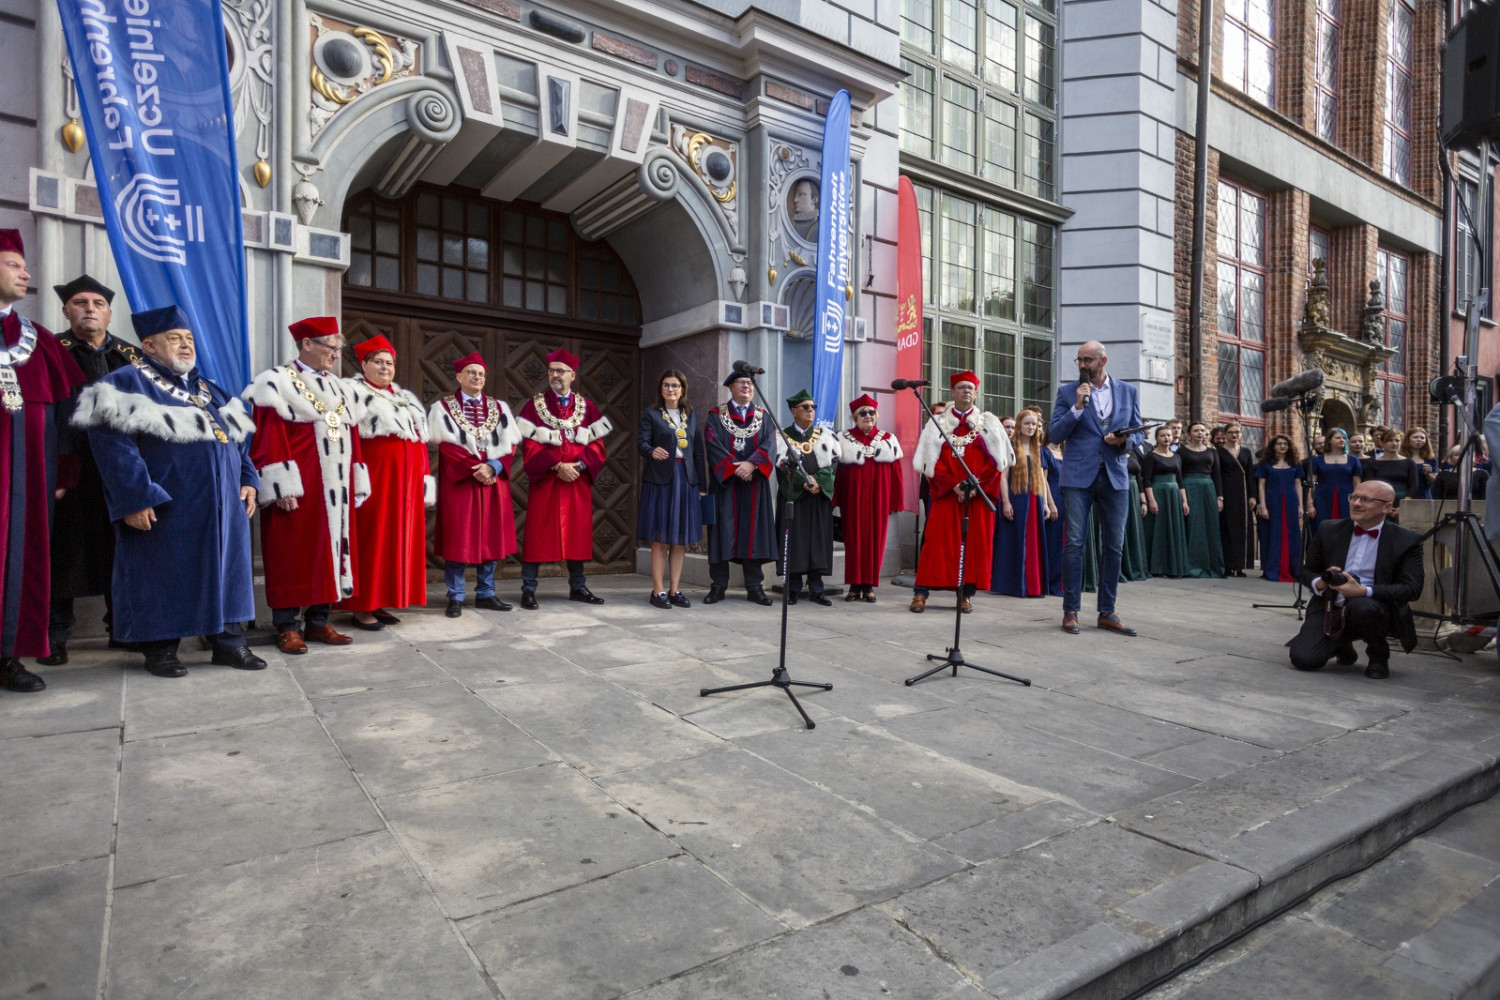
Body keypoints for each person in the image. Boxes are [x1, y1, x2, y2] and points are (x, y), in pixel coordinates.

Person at [72, 306, 263, 676]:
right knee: (162, 575)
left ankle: (229, 643)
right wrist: (135, 496)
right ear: (150, 346)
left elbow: (239, 443)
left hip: (225, 506)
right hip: (167, 505)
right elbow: (113, 447)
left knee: (229, 572)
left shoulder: (211, 389)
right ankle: (160, 649)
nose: (186, 345)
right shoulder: (123, 384)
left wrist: (248, 479)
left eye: (189, 339)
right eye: (175, 338)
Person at [244, 316, 369, 655]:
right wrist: (281, 484)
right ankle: (287, 627)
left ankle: (318, 622)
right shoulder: (276, 382)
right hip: (301, 485)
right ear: (307, 344)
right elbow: (268, 434)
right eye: (331, 346)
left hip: (336, 486)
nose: (335, 353)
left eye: (338, 348)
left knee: (330, 552)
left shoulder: (339, 386)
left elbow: (350, 433)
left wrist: (356, 476)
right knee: (291, 553)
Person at [0, 230, 86, 692]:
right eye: (13, 264)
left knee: (24, 560)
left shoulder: (40, 340)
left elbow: (67, 413)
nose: (25, 273)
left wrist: (64, 472)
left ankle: (9, 655)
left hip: (30, 479)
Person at [43, 274, 140, 665]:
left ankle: (121, 629)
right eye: (80, 303)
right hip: (71, 471)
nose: (89, 309)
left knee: (123, 551)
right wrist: (57, 472)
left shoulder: (132, 357)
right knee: (64, 552)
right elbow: (47, 415)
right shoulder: (49, 351)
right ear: (66, 311)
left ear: (109, 312)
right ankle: (55, 636)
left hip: (121, 473)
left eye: (97, 304)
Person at [338, 335, 434, 629]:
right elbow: (345, 439)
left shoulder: (404, 397)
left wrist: (423, 480)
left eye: (389, 363)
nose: (384, 367)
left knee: (397, 541)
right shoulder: (351, 392)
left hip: (405, 486)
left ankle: (382, 601)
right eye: (378, 362)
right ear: (364, 364)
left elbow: (419, 442)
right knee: (371, 540)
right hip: (374, 482)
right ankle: (362, 605)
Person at [1049, 340, 1144, 636]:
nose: (1082, 366)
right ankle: (1071, 611)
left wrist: (1123, 441)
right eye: (1079, 360)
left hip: (1115, 475)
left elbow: (1139, 435)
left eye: (1087, 360)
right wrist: (1077, 407)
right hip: (1077, 476)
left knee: (1114, 545)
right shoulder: (1067, 393)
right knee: (1075, 543)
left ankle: (1107, 611)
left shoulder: (1128, 392)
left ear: (1103, 360)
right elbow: (1053, 433)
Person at [1289, 481, 1422, 679]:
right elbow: (1305, 570)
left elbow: (1411, 589)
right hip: (1330, 604)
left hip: (1375, 608)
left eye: (1366, 499)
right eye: (1354, 497)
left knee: (1362, 607)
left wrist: (1363, 591)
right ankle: (1342, 643)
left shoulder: (1407, 539)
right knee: (1304, 660)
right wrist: (1321, 583)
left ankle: (1378, 654)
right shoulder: (1329, 529)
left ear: (1387, 507)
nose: (1356, 503)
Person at [515, 348, 612, 609]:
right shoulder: (534, 406)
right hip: (547, 480)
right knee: (537, 534)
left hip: (576, 482)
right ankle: (528, 589)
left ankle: (578, 587)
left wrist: (579, 466)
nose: (555, 375)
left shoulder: (587, 407)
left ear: (572, 375)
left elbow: (597, 445)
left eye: (560, 371)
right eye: (551, 371)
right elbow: (530, 444)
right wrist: (556, 465)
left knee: (577, 535)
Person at [911, 370, 1012, 613]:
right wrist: (953, 485)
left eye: (970, 388)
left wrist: (976, 486)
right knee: (936, 544)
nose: (966, 391)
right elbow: (929, 461)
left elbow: (998, 462)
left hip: (978, 495)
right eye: (961, 387)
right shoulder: (937, 422)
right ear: (952, 392)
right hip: (947, 494)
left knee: (975, 546)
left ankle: (966, 594)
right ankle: (921, 593)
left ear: (976, 393)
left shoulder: (988, 422)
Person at [429, 352, 522, 618]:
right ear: (459, 376)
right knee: (459, 539)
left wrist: (493, 466)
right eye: (471, 372)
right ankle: (456, 596)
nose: (477, 377)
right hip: (461, 482)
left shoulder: (499, 407)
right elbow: (446, 445)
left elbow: (510, 443)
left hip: (492, 481)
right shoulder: (443, 408)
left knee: (490, 539)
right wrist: (476, 468)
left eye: (480, 373)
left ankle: (486, 593)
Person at [703, 372, 777, 605]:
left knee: (753, 533)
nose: (747, 386)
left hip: (754, 484)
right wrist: (735, 468)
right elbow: (712, 443)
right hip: (726, 484)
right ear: (731, 387)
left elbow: (770, 444)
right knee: (722, 532)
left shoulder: (764, 417)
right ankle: (718, 586)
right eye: (741, 383)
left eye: (750, 383)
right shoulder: (716, 415)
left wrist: (752, 464)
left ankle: (754, 587)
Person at [636, 369, 706, 608]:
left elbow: (698, 451)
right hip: (661, 479)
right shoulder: (652, 414)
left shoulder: (692, 415)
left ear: (683, 389)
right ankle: (658, 591)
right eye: (666, 385)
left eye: (675, 385)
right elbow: (641, 442)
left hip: (686, 479)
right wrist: (650, 450)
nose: (671, 389)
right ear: (661, 388)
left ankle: (675, 590)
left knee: (680, 539)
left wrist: (702, 486)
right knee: (660, 538)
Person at [834, 393, 903, 602]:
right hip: (852, 499)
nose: (868, 416)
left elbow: (897, 474)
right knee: (853, 541)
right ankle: (854, 586)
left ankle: (869, 585)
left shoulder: (889, 439)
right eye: (862, 413)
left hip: (879, 499)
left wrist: (895, 501)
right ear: (855, 416)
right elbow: (836, 473)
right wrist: (834, 500)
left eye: (871, 412)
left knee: (875, 541)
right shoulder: (843, 438)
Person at [777, 389, 839, 605]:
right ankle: (793, 588)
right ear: (794, 411)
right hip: (794, 496)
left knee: (817, 541)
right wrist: (803, 481)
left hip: (818, 497)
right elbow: (780, 466)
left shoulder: (826, 435)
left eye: (813, 407)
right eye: (805, 407)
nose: (810, 410)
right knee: (795, 541)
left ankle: (816, 587)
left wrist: (817, 483)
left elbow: (833, 464)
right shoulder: (781, 436)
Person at [990, 407, 1058, 597]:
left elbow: (1042, 479)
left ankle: (1032, 586)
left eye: (1034, 424)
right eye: (1027, 423)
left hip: (1035, 500)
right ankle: (1011, 585)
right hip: (1015, 498)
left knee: (1033, 543)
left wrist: (1045, 503)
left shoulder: (1039, 450)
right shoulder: (1009, 447)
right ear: (1019, 425)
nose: (1031, 427)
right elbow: (1002, 477)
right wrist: (1005, 502)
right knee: (1013, 541)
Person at [1141, 426, 1190, 577]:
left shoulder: (1177, 457)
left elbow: (1180, 481)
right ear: (1156, 438)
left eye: (1168, 435)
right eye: (1163, 435)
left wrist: (1184, 502)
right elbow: (1146, 480)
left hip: (1174, 495)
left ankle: (1174, 567)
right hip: (1158, 493)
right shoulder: (1151, 456)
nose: (1166, 438)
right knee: (1159, 531)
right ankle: (1157, 567)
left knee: (1174, 530)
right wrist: (1151, 501)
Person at [1178, 421, 1225, 578]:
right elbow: (1178, 475)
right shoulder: (1182, 451)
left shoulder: (1212, 452)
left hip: (1208, 489)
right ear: (1189, 433)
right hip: (1190, 489)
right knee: (1192, 525)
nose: (1200, 433)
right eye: (1196, 430)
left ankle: (1211, 565)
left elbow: (1217, 476)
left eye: (1203, 431)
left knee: (1210, 525)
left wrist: (1220, 497)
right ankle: (1191, 565)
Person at [1256, 434, 1304, 581]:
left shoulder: (1295, 463)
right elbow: (1261, 485)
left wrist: (1301, 505)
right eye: (1279, 444)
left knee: (1292, 534)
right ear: (1273, 446)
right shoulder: (1265, 463)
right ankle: (1272, 569)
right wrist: (1263, 505)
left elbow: (1298, 485)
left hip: (1290, 500)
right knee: (1272, 534)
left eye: (1285, 444)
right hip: (1272, 500)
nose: (1282, 446)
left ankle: (1292, 569)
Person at [1216, 422, 1257, 577]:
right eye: (1231, 432)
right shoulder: (1218, 452)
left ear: (1241, 434)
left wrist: (1253, 495)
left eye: (1237, 432)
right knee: (1227, 528)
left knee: (1242, 528)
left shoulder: (1246, 452)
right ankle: (1228, 565)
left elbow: (1250, 475)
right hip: (1226, 492)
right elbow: (1217, 475)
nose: (1234, 435)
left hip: (1243, 493)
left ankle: (1240, 565)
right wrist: (1219, 496)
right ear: (1225, 434)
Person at [1308, 428, 1362, 533]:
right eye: (1338, 438)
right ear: (1329, 440)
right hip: (1322, 497)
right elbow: (1311, 483)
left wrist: (1357, 501)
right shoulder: (1317, 460)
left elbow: (1357, 483)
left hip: (1346, 497)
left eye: (1344, 438)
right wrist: (1310, 504)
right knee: (1322, 526)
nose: (1342, 440)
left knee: (1346, 527)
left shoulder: (1353, 460)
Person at [1361, 428, 1420, 507]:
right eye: (1390, 440)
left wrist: (1404, 504)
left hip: (1404, 502)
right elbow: (1370, 485)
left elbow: (1414, 485)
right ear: (1382, 442)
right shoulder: (1372, 463)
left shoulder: (1409, 462)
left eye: (1397, 440)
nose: (1394, 443)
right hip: (1380, 502)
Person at [1403, 426, 1438, 500]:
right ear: (1408, 439)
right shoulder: (1401, 456)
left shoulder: (1430, 458)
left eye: (1422, 438)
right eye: (1415, 437)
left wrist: (1428, 475)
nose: (1419, 440)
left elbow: (1435, 482)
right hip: (1404, 493)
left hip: (1423, 495)